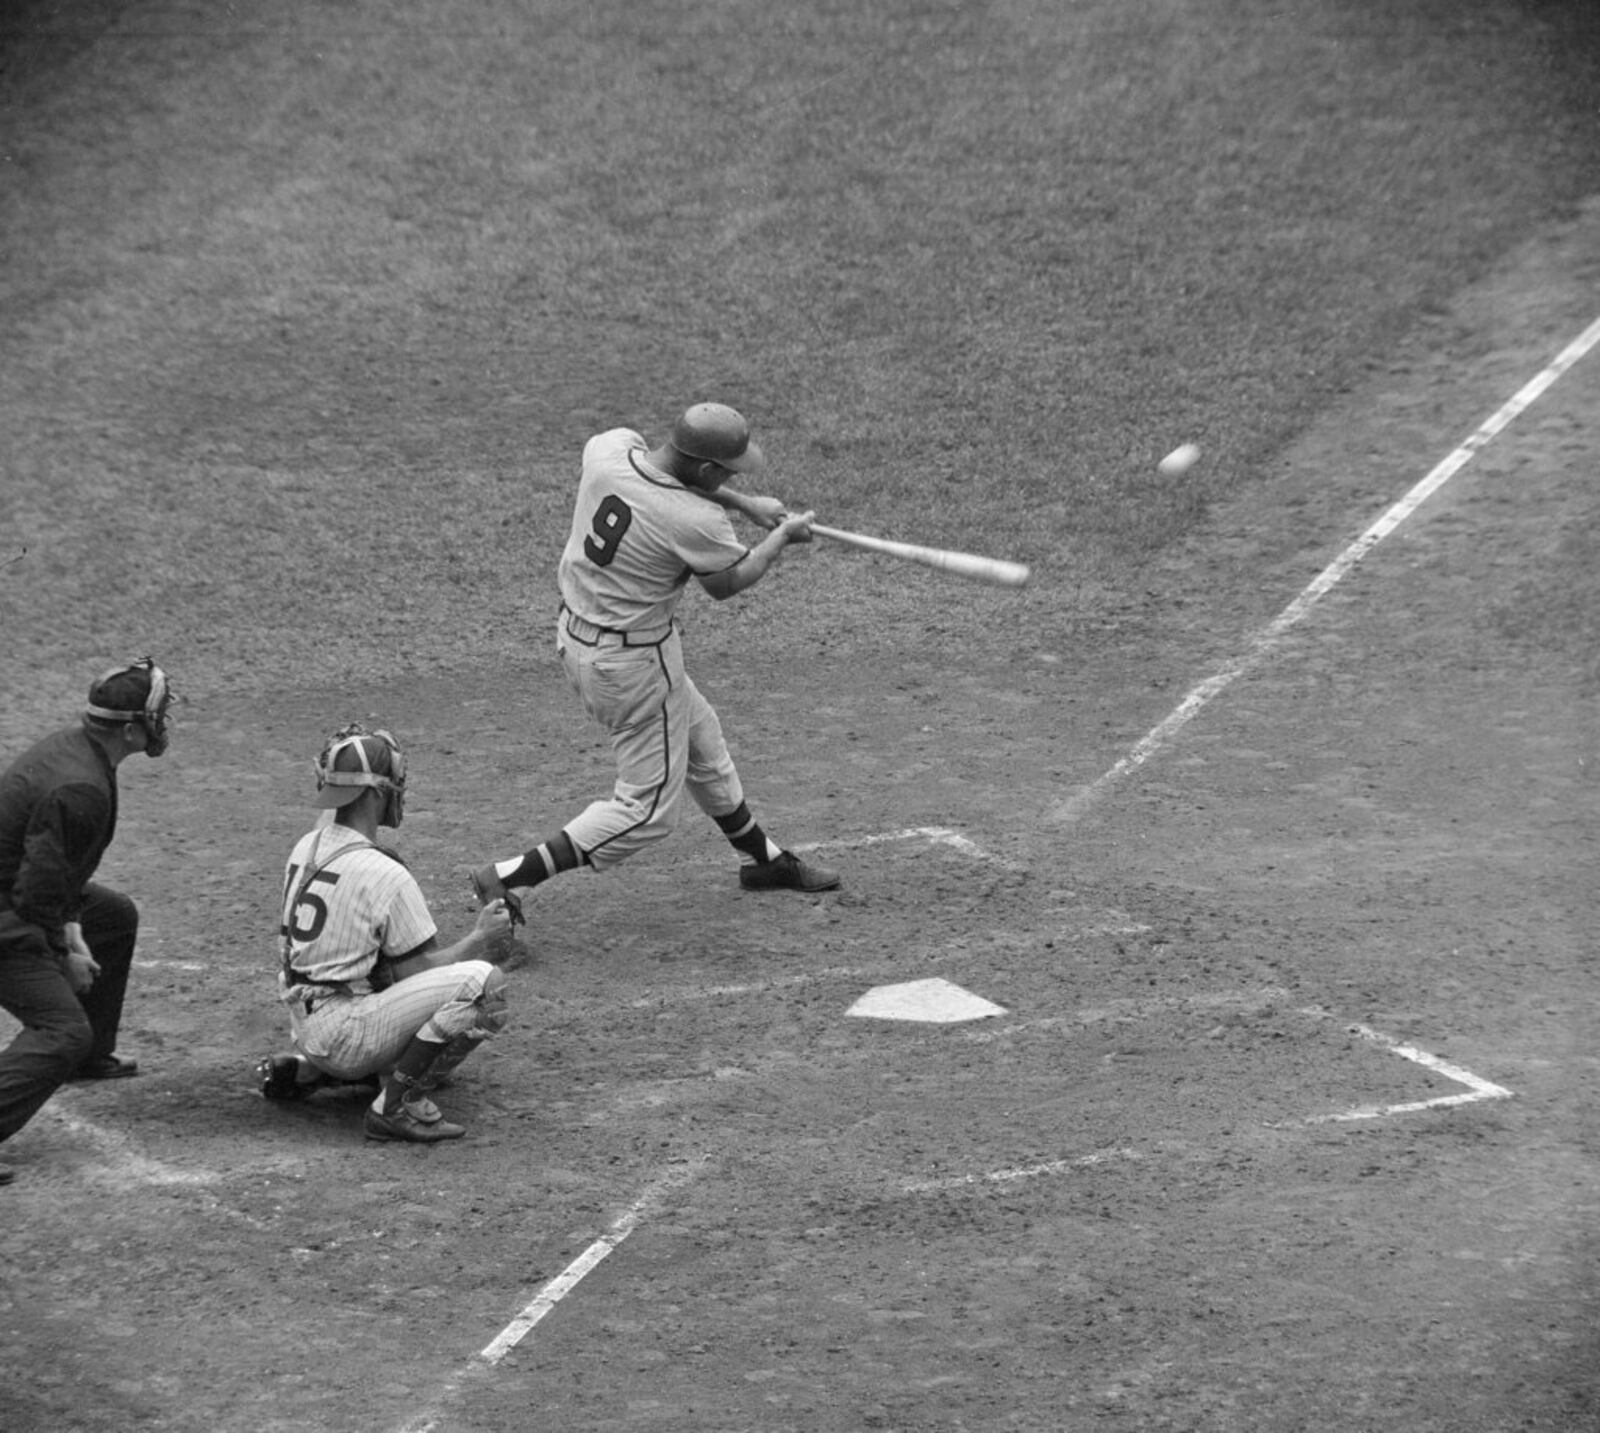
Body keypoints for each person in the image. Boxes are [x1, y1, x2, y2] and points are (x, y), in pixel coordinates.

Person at [471, 402, 840, 920]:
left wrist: (744, 503)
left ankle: (762, 860)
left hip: (578, 642)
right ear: (709, 471)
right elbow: (726, 582)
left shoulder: (609, 450)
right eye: (728, 472)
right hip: (635, 667)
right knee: (646, 812)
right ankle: (506, 876)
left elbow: (664, 479)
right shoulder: (694, 519)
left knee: (700, 739)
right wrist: (779, 538)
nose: (732, 477)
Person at [257, 722, 518, 1144]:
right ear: (376, 793)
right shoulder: (382, 871)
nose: (399, 790)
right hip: (346, 1033)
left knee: (390, 988)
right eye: (394, 783)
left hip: (306, 1025)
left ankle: (310, 1071)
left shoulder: (306, 846)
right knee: (484, 986)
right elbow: (416, 975)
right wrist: (479, 940)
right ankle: (393, 1105)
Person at [0, 657, 175, 1187]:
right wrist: (62, 955)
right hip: (8, 911)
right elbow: (35, 897)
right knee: (60, 1031)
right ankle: (76, 1046)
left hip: (16, 892)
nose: (163, 722)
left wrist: (76, 928)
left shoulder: (80, 752)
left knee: (112, 916)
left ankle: (90, 1056)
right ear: (129, 728)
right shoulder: (81, 787)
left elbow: (57, 872)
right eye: (156, 715)